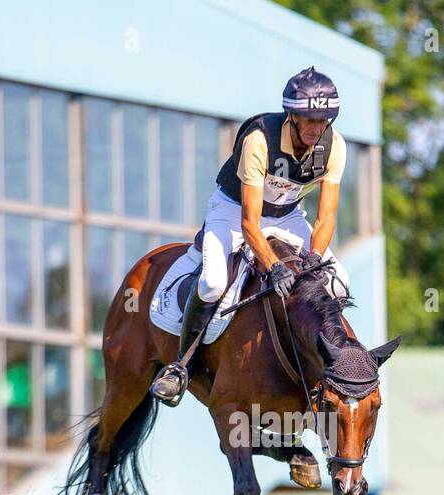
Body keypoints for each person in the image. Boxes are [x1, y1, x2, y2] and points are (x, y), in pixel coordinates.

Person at [150, 66, 351, 406]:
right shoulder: (260, 140)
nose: (317, 129)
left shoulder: (333, 146)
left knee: (338, 282)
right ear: (292, 116)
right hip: (233, 212)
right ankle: (180, 366)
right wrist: (274, 267)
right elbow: (250, 223)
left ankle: (326, 366)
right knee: (213, 282)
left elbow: (326, 215)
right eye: (310, 120)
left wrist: (314, 258)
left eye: (324, 121)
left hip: (288, 215)